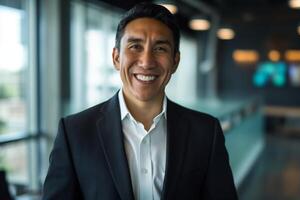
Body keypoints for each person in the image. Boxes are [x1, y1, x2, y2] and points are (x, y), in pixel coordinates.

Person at [42, 2, 238, 200]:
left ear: (175, 61)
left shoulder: (205, 132)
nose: (146, 62)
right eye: (135, 46)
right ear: (116, 58)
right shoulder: (75, 132)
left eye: (160, 48)